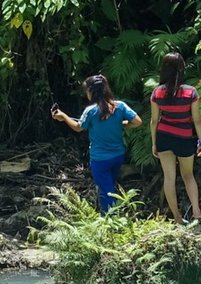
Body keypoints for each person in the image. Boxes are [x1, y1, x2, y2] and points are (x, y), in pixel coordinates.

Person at [52, 75, 141, 214]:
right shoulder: (119, 106)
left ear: (91, 92)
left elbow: (78, 127)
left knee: (106, 192)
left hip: (100, 160)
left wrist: (63, 117)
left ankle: (111, 221)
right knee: (110, 187)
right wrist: (123, 123)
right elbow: (137, 122)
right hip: (118, 156)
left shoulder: (91, 111)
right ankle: (114, 218)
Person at [149, 51, 201, 224]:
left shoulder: (157, 93)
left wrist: (154, 144)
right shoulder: (191, 93)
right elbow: (197, 120)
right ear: (182, 69)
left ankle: (177, 218)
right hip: (184, 137)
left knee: (169, 178)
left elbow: (154, 121)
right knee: (188, 175)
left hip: (164, 137)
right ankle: (197, 212)